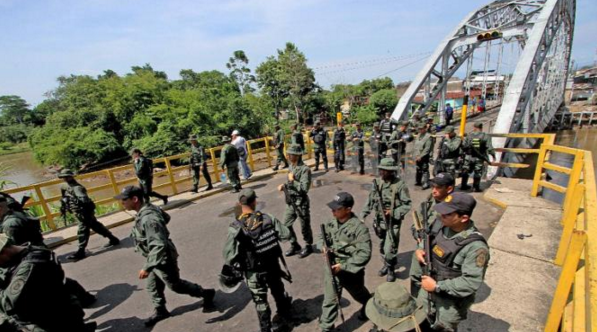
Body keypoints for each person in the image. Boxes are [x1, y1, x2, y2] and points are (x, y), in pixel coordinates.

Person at [115, 185, 216, 327]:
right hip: (154, 257)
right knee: (153, 286)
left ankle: (206, 293)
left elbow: (158, 245)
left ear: (135, 199)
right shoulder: (147, 209)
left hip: (162, 258)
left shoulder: (149, 218)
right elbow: (166, 217)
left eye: (124, 199)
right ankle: (160, 310)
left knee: (176, 286)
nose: (122, 202)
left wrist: (147, 267)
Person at [0, 195, 98, 308]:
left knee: (52, 286)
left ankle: (76, 308)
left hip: (33, 258)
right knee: (57, 282)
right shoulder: (15, 214)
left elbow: (12, 249)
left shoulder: (10, 224)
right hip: (38, 253)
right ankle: (84, 299)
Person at [412, 192, 489, 331]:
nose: (441, 216)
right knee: (420, 323)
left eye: (447, 214)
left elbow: (471, 282)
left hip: (449, 302)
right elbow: (427, 239)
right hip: (427, 289)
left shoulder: (475, 247)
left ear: (464, 218)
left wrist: (437, 287)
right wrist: (420, 249)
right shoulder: (442, 224)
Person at [222, 189, 293, 332]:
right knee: (278, 291)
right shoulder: (268, 218)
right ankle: (285, 315)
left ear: (239, 204)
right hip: (272, 266)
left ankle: (265, 328)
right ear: (254, 201)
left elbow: (228, 255)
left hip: (254, 272)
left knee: (260, 301)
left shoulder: (236, 228)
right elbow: (286, 235)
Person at [0, 234, 97, 332]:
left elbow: (10, 303)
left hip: (55, 320)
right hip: (62, 310)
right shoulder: (31, 249)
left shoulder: (30, 265)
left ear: (4, 252)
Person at [318, 192, 372, 332]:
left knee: (359, 294)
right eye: (333, 208)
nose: (333, 211)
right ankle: (326, 328)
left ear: (348, 209)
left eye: (337, 208)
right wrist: (322, 247)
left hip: (349, 271)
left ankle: (370, 307)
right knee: (330, 300)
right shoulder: (332, 222)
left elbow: (364, 254)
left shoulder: (359, 229)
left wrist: (343, 266)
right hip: (331, 267)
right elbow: (321, 237)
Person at [362, 158, 412, 282]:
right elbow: (370, 200)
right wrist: (363, 214)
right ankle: (386, 264)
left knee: (390, 248)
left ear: (391, 172)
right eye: (381, 170)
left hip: (392, 222)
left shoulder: (399, 185)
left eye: (384, 171)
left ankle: (391, 270)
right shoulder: (377, 183)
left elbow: (407, 204)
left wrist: (393, 212)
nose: (381, 173)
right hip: (379, 222)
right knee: (382, 246)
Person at [409, 173, 455, 296]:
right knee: (415, 275)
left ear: (449, 189)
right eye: (433, 186)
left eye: (438, 187)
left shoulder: (453, 208)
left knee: (431, 280)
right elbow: (417, 219)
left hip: (438, 252)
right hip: (422, 246)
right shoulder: (429, 201)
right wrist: (416, 233)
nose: (434, 190)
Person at [58, 169, 120, 260]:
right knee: (96, 226)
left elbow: (84, 200)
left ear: (72, 176)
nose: (66, 178)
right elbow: (63, 195)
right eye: (64, 177)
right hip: (77, 211)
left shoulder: (78, 188)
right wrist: (64, 204)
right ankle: (113, 239)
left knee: (83, 230)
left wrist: (83, 204)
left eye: (67, 176)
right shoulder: (64, 186)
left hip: (84, 212)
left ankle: (81, 251)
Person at [278, 144, 313, 259]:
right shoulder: (291, 166)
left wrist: (292, 181)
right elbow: (289, 182)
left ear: (297, 156)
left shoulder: (305, 170)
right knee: (285, 225)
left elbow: (304, 188)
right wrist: (284, 186)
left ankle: (308, 246)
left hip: (301, 203)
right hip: (291, 202)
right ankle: (295, 244)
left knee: (304, 227)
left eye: (290, 154)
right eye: (287, 154)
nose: (287, 156)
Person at [461, 122, 496, 192]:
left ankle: (463, 185)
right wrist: (493, 156)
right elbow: (490, 148)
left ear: (474, 127)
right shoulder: (485, 136)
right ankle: (475, 187)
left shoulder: (469, 135)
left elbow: (464, 145)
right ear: (481, 127)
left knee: (466, 170)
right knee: (478, 172)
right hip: (479, 158)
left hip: (468, 156)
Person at [414, 124, 433, 189]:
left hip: (424, 156)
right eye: (419, 129)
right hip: (417, 155)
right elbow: (416, 146)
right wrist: (415, 155)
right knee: (418, 169)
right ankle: (418, 181)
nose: (420, 130)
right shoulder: (418, 135)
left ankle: (426, 183)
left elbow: (427, 148)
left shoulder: (428, 136)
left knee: (424, 169)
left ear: (425, 128)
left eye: (421, 129)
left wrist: (420, 156)